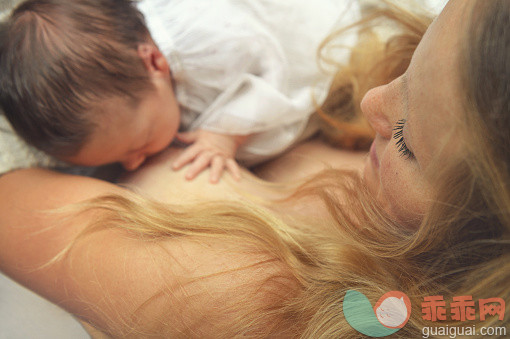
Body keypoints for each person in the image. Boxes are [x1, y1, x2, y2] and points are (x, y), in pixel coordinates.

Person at [1, 0, 509, 337]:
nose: (375, 101)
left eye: (406, 140)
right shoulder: (452, 59)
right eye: (407, 69)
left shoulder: (256, 298)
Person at [0, 0, 359, 183]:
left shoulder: (209, 43)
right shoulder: (128, 90)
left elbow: (276, 66)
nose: (132, 164)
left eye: (137, 145)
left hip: (313, 32)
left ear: (154, 63)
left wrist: (223, 136)